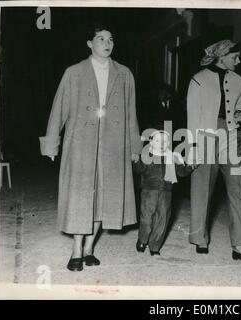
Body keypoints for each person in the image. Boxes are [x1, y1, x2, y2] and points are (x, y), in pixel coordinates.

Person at [39, 25, 142, 271]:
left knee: (105, 197)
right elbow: (59, 109)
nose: (107, 43)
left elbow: (131, 114)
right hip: (81, 143)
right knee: (80, 196)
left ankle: (89, 249)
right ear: (89, 43)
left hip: (113, 142)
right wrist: (52, 143)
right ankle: (76, 250)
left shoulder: (124, 74)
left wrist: (134, 146)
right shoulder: (74, 73)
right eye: (101, 38)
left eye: (111, 39)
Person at [186, 39, 241, 263]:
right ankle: (199, 238)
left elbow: (239, 107)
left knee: (237, 190)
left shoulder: (238, 80)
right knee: (202, 189)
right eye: (234, 57)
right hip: (205, 136)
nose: (238, 60)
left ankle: (239, 245)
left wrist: (239, 114)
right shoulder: (198, 79)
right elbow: (192, 115)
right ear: (222, 56)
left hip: (232, 137)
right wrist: (193, 147)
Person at [133, 130, 195, 255]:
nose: (161, 143)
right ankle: (143, 239)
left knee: (162, 219)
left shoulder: (172, 157)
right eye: (157, 140)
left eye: (165, 141)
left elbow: (181, 172)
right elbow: (140, 169)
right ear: (151, 143)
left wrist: (191, 166)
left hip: (166, 192)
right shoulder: (147, 156)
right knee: (146, 219)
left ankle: (154, 246)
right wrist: (135, 161)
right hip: (148, 192)